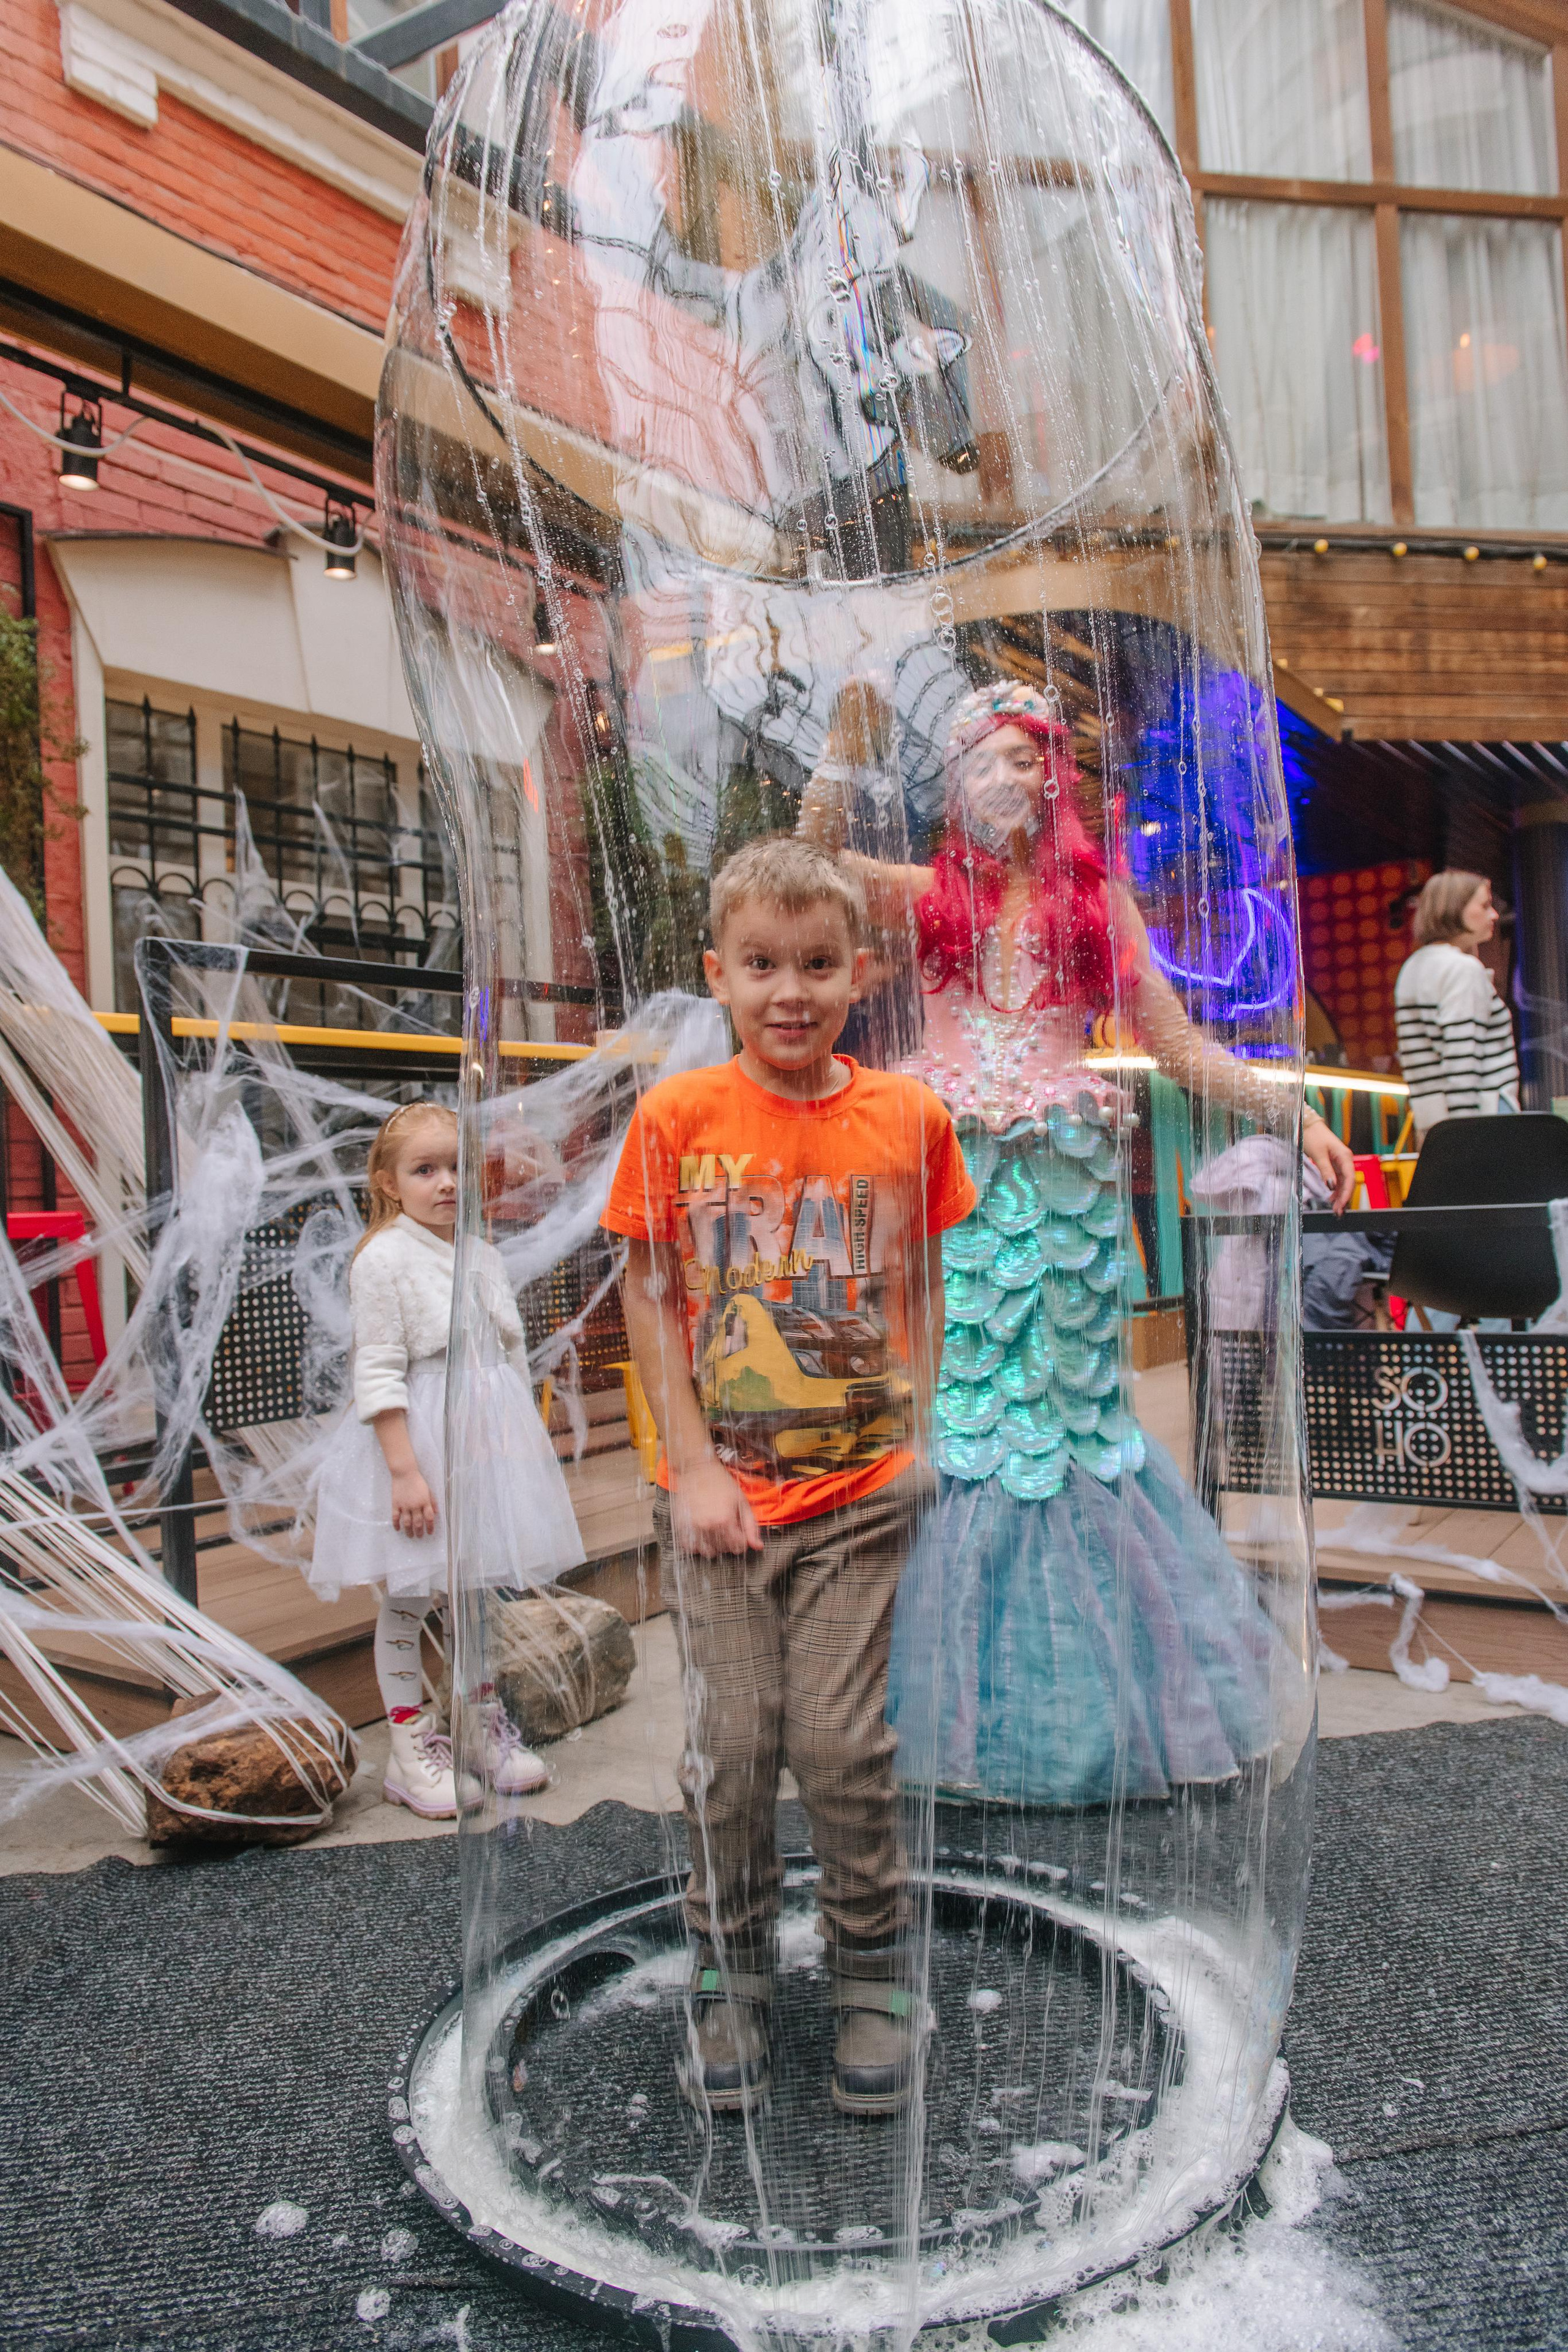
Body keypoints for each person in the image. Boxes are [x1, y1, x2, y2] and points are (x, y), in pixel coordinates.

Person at [799, 677, 1354, 1806]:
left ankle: (1078, 1716)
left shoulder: (1100, 908)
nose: (1017, 777)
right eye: (992, 759)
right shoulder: (923, 899)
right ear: (954, 780)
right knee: (953, 1416)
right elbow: (804, 871)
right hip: (949, 1181)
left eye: (1030, 760)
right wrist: (842, 753)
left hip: (1060, 1186)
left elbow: (1181, 1048)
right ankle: (926, 1703)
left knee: (1061, 1423)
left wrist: (1289, 1110)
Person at [601, 836, 975, 2117]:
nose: (789, 992)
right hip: (720, 1512)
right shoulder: (677, 1118)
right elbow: (649, 1292)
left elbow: (919, 1281)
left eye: (817, 964)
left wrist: (915, 1428)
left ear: (859, 973)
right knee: (731, 1743)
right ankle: (730, 1971)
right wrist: (691, 1467)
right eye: (760, 965)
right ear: (718, 973)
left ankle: (870, 1968)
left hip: (858, 1495)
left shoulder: (906, 1119)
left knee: (839, 1743)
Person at [309, 1102, 584, 1817]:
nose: (446, 1183)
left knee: (475, 1596)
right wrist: (404, 1469)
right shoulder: (384, 1259)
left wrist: (512, 1432)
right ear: (389, 1182)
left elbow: (506, 1354)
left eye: (457, 1167)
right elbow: (379, 1371)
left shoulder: (482, 1253)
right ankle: (409, 1748)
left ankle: (476, 1723)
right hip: (419, 1448)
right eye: (425, 1170)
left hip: (479, 1448)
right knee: (409, 1596)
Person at [1394, 871, 1519, 1142]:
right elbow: (1462, 1061)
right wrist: (1463, 1138)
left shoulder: (1413, 967)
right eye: (1485, 906)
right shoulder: (1462, 969)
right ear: (1455, 909)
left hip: (1433, 1121)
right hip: (1481, 1120)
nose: (1495, 915)